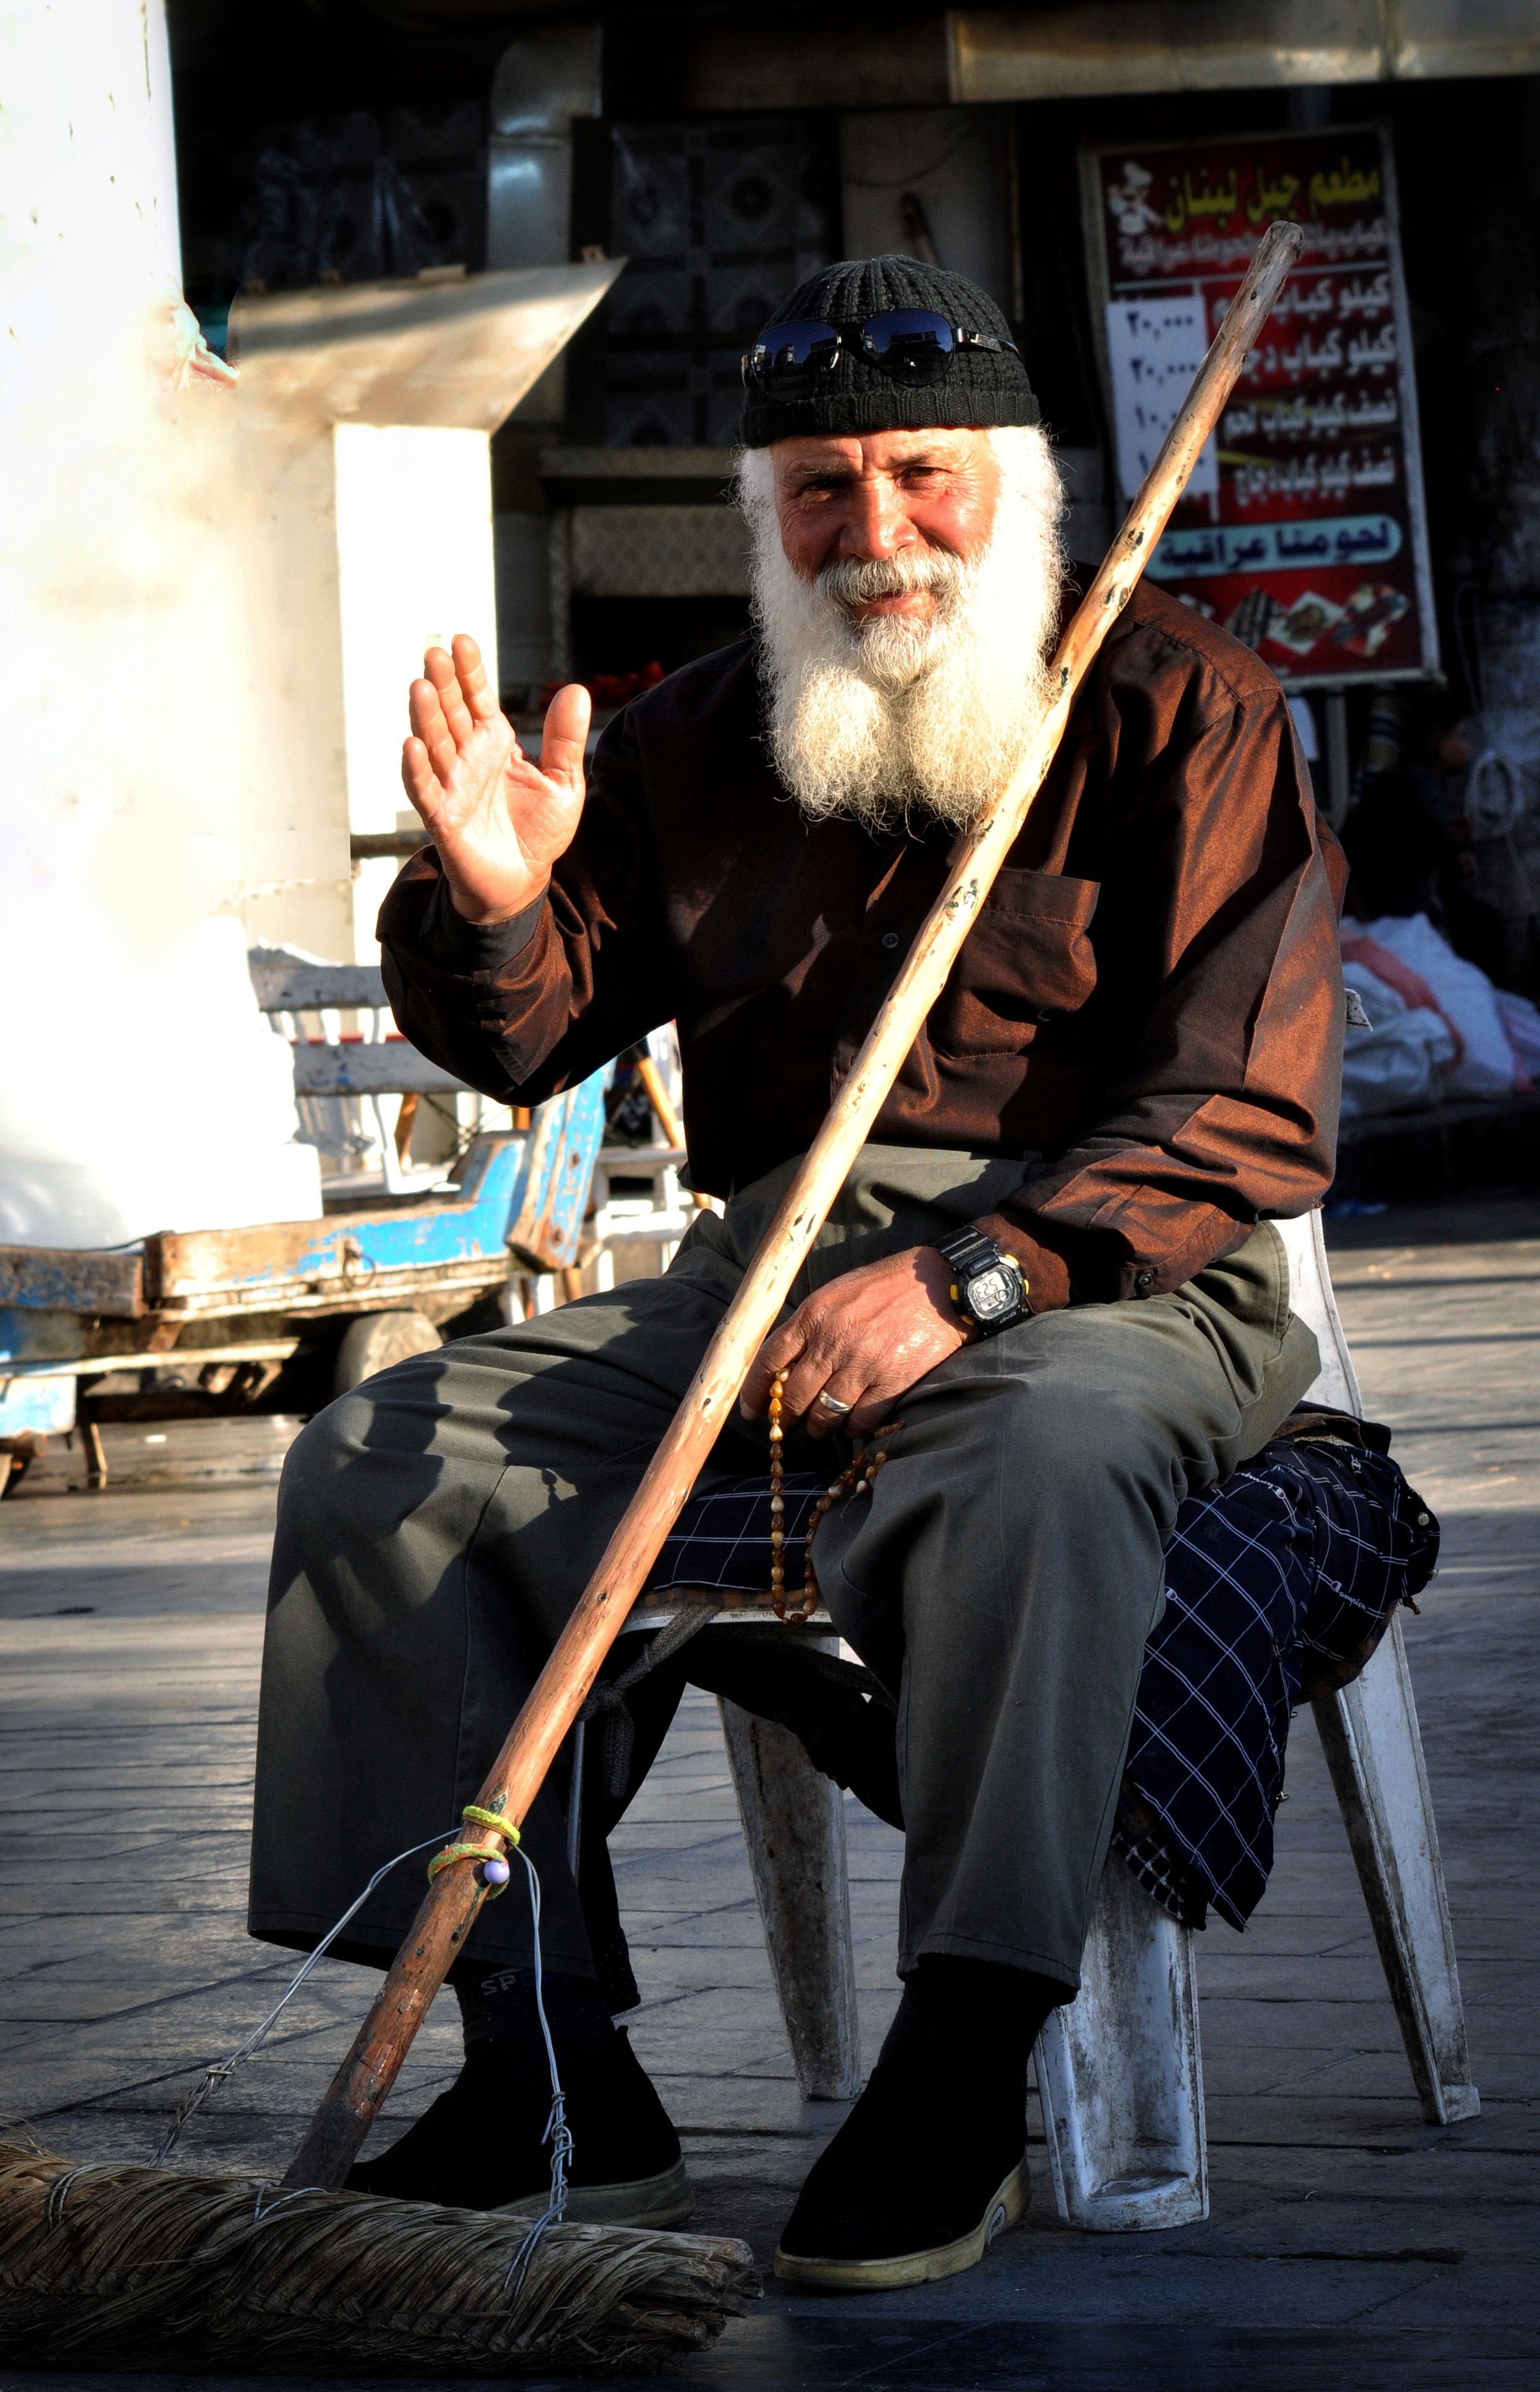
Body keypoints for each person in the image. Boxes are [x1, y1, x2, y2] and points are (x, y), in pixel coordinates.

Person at [248, 256, 1344, 2289]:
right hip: (762, 1281)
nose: (878, 530)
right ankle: (546, 2064)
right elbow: (527, 1038)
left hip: (1109, 1280)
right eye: (822, 489)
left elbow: (1247, 1108)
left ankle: (966, 2052)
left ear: (1014, 480)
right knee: (386, 1463)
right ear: (766, 516)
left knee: (1032, 1462)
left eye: (923, 474)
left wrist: (977, 1280)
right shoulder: (693, 732)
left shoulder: (1184, 703)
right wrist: (495, 901)